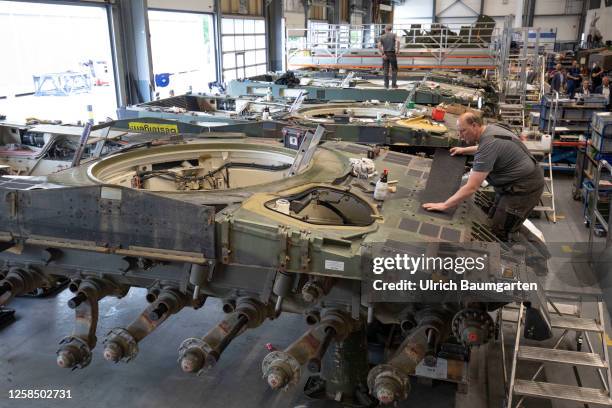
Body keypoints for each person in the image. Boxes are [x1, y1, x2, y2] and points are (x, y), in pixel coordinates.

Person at [422, 113, 545, 240]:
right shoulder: (491, 130)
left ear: (474, 125)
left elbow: (471, 187)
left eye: (463, 131)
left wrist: (445, 205)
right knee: (492, 218)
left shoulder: (488, 145)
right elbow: (488, 147)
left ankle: (509, 254)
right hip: (517, 182)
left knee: (501, 229)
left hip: (524, 189)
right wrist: (465, 150)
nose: (460, 135)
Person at [377, 25, 401, 89]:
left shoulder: (382, 36)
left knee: (385, 70)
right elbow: (398, 41)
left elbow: (379, 45)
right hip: (392, 54)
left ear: (385, 29)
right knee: (394, 70)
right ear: (391, 29)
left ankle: (386, 85)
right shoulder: (394, 35)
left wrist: (383, 54)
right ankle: (393, 85)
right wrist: (398, 50)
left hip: (385, 54)